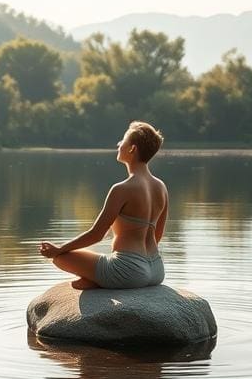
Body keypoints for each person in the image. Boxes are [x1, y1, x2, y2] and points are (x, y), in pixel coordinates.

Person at [39, 121, 168, 290]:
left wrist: (59, 249)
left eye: (123, 140)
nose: (119, 144)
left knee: (62, 258)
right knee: (93, 261)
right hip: (157, 269)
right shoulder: (161, 187)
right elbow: (157, 234)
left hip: (129, 271)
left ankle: (97, 280)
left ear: (132, 149)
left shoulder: (122, 189)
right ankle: (98, 279)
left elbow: (96, 234)